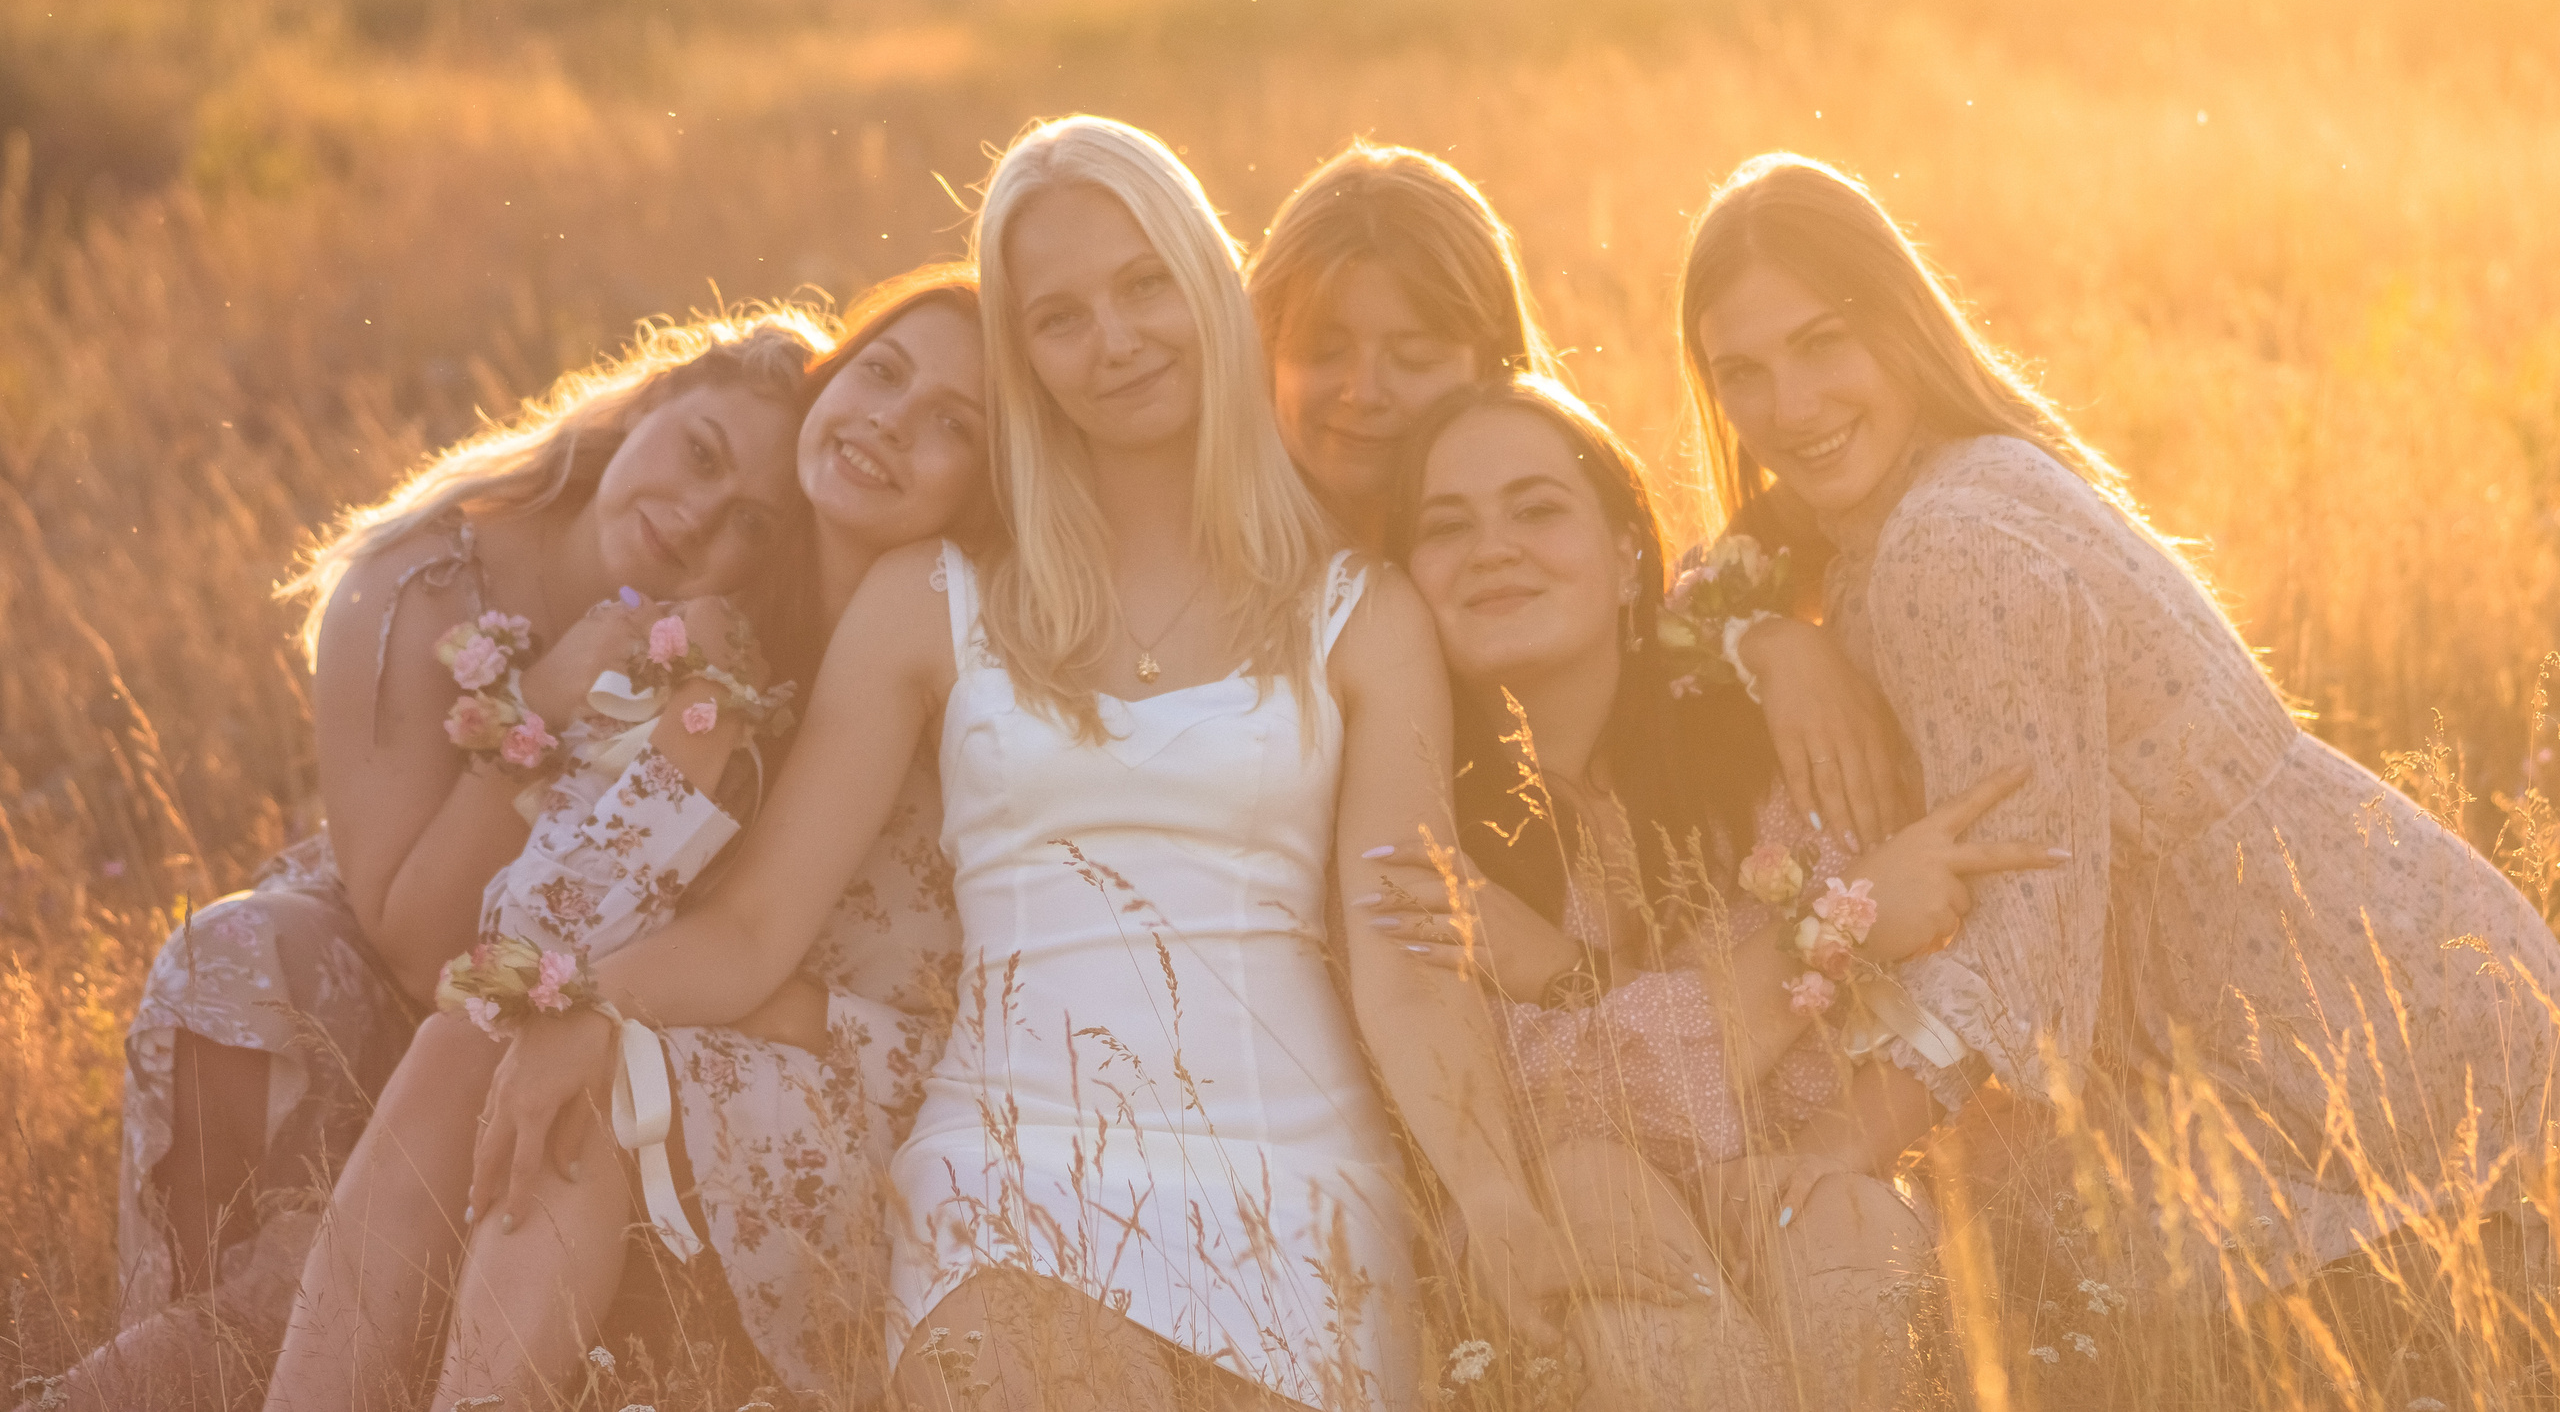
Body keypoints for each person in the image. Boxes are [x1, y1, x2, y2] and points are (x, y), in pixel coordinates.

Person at [464, 116, 1585, 1412]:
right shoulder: (931, 600)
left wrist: (1495, 1193)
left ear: (1209, 277)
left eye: (1144, 285)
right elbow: (757, 926)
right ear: (1026, 360)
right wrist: (582, 1002)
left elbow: (1409, 945)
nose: (1113, 341)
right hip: (1008, 1183)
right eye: (1059, 317)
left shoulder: (1358, 610)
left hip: (1300, 1180)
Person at [1679, 151, 2560, 1311]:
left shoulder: (1955, 543)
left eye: (1821, 343)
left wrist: (1850, 1140)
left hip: (2348, 1010)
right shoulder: (1902, 497)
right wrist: (1770, 643)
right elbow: (1686, 592)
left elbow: (2025, 929)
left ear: (1900, 327)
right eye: (1741, 371)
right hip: (2326, 984)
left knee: (2087, 1278)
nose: (1788, 408)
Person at [62, 306, 829, 1411]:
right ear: (652, 400)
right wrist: (547, 707)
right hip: (393, 967)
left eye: (751, 520)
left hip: (587, 990)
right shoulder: (420, 582)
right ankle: (199, 1344)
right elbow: (414, 943)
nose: (698, 515)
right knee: (229, 954)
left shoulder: (725, 666)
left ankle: (240, 1356)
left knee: (370, 1219)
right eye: (699, 452)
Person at [261, 268, 989, 1409]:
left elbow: (926, 1014)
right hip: (711, 1030)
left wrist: (598, 1006)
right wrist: (668, 718)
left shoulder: (956, 640)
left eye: (953, 424)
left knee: (584, 1080)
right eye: (883, 373)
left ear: (986, 483)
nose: (893, 423)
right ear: (833, 380)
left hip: (891, 1085)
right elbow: (535, 932)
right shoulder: (740, 636)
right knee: (474, 1037)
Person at [1387, 374, 2054, 1408]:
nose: (1491, 547)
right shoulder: (1417, 815)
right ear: (1406, 583)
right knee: (1590, 1191)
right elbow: (1541, 1116)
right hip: (1587, 1238)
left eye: (1536, 508)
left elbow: (1918, 1015)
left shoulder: (1772, 749)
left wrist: (1566, 980)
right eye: (1446, 525)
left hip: (1803, 1197)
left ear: (1624, 558)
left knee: (1847, 1219)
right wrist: (1816, 941)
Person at [1245, 139, 1910, 851]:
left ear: (1491, 365)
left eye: (1414, 357)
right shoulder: (1224, 578)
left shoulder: (1532, 569)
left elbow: (1658, 617)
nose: (1365, 392)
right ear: (1259, 352)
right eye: (1324, 352)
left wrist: (1769, 641)